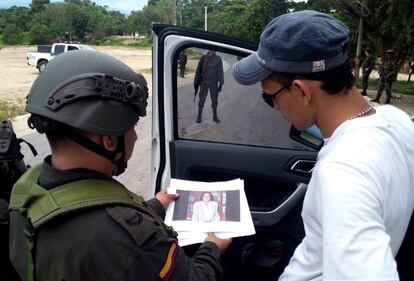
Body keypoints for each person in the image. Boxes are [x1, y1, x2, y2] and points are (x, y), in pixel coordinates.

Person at [8, 50, 231, 281]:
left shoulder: (27, 192)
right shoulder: (132, 242)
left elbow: (89, 215)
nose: (135, 136)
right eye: (133, 126)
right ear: (110, 139)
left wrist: (155, 205)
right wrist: (212, 248)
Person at [232, 10, 414, 280]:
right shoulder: (396, 120)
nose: (275, 108)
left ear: (302, 90)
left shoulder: (344, 171)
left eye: (270, 98)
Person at [194, 50, 224, 123]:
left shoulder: (218, 59)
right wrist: (196, 82)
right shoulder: (203, 58)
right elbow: (198, 70)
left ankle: (215, 115)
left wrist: (221, 83)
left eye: (214, 50)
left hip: (214, 83)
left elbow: (220, 71)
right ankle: (199, 115)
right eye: (211, 50)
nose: (212, 51)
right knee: (201, 100)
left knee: (214, 101)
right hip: (204, 82)